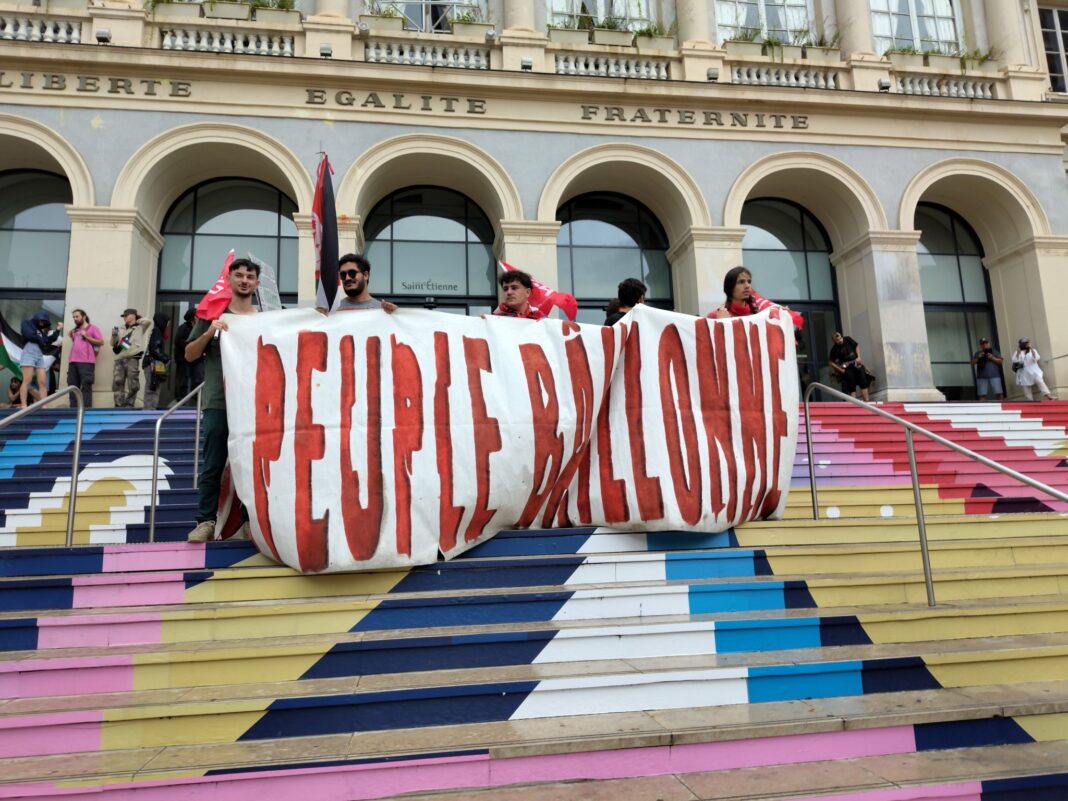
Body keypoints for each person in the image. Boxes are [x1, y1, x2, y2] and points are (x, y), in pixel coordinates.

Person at [184, 258, 260, 542]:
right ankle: (205, 521)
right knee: (214, 464)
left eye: (249, 276)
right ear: (228, 280)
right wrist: (210, 331)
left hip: (255, 404)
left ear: (256, 283)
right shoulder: (213, 315)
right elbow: (190, 355)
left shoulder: (264, 317)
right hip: (219, 401)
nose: (244, 280)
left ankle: (253, 523)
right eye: (238, 275)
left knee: (252, 465)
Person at [708, 266, 805, 332]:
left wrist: (781, 317)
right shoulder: (715, 316)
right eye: (741, 282)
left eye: (749, 282)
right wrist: (720, 324)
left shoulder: (761, 315)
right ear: (730, 287)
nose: (747, 286)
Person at [18, 311, 62, 408]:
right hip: (29, 353)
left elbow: (48, 340)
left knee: (42, 382)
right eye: (41, 321)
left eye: (44, 322)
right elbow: (29, 335)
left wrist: (58, 330)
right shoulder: (26, 323)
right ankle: (24, 405)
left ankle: (44, 405)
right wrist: (41, 339)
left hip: (39, 355)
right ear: (37, 318)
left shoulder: (40, 331)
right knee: (27, 380)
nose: (42, 323)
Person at [111, 309, 152, 408]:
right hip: (119, 358)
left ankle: (129, 404)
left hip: (132, 358)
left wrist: (137, 319)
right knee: (117, 382)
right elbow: (113, 344)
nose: (124, 317)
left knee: (133, 383)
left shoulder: (140, 327)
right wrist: (114, 336)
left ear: (133, 315)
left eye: (126, 315)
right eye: (123, 316)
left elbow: (148, 321)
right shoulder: (120, 328)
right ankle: (118, 405)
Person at [332, 254, 398, 313]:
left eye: (352, 273)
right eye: (343, 275)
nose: (347, 278)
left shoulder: (383, 311)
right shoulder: (333, 310)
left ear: (365, 275)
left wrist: (396, 314)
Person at [66, 308, 103, 408]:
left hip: (86, 362)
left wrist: (86, 336)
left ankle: (86, 410)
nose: (75, 319)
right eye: (73, 317)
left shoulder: (93, 328)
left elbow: (101, 342)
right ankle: (73, 410)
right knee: (72, 386)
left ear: (84, 316)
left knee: (86, 386)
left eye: (77, 316)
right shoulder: (75, 330)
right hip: (73, 361)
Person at [828, 331, 872, 402]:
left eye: (840, 338)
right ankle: (853, 405)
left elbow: (856, 346)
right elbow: (830, 362)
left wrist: (859, 357)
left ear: (842, 337)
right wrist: (840, 370)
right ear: (834, 341)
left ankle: (867, 402)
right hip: (847, 368)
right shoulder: (834, 349)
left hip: (856, 364)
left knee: (863, 383)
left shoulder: (848, 339)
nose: (840, 341)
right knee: (852, 387)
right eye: (837, 340)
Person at [141, 312, 171, 410]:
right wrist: (165, 358)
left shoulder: (156, 331)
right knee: (152, 387)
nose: (168, 325)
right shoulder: (157, 331)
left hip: (150, 363)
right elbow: (155, 349)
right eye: (167, 322)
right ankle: (149, 411)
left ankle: (149, 409)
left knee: (152, 387)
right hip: (152, 365)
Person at [172, 309, 204, 398]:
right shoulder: (183, 327)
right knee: (183, 381)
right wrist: (191, 346)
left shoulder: (199, 328)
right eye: (197, 316)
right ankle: (181, 400)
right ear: (193, 317)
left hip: (197, 359)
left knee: (199, 379)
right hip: (183, 359)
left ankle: (197, 400)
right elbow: (178, 341)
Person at [1012, 337, 1055, 401]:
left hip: (1034, 370)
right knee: (1026, 387)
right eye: (1026, 343)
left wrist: (1032, 351)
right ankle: (1029, 401)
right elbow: (1014, 361)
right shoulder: (1017, 352)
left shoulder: (1033, 350)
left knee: (1039, 380)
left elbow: (1037, 358)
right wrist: (1018, 353)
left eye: (1027, 343)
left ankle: (1048, 395)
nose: (1027, 344)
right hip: (1023, 372)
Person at [970, 336, 1004, 401]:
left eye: (986, 343)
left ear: (989, 343)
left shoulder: (994, 352)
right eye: (983, 343)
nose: (984, 344)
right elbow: (972, 363)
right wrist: (978, 358)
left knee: (999, 393)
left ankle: (1000, 409)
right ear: (980, 345)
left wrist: (992, 358)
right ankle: (983, 410)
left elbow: (1001, 361)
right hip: (981, 377)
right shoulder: (977, 353)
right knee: (982, 394)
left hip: (995, 375)